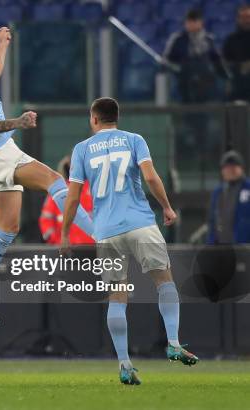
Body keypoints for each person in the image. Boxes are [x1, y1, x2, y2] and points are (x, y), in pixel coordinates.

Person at [0, 23, 93, 325]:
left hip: (0, 152)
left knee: (8, 229)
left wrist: (3, 43)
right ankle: (99, 234)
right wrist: (17, 123)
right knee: (54, 180)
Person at [61, 97, 199, 386]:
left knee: (117, 297)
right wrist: (167, 207)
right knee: (165, 282)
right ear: (117, 118)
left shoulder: (82, 149)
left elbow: (73, 197)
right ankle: (173, 342)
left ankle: (125, 363)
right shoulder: (135, 140)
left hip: (107, 231)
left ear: (94, 119)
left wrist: (64, 234)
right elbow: (150, 177)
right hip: (141, 223)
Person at [163, 8, 228, 103]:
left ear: (201, 22)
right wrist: (177, 69)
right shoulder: (177, 39)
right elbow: (167, 60)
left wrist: (225, 77)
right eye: (189, 21)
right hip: (184, 81)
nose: (191, 24)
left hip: (205, 83)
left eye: (194, 21)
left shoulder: (209, 40)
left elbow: (217, 60)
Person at [39, 155, 94, 245]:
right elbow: (46, 220)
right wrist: (56, 241)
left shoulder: (94, 189)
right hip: (65, 249)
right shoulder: (59, 190)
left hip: (93, 248)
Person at [207, 151, 250, 244]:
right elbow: (212, 220)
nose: (230, 170)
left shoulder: (248, 188)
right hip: (220, 246)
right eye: (227, 167)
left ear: (241, 168)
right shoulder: (218, 192)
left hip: (244, 246)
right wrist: (211, 242)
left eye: (233, 167)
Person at [223, 4, 250, 102]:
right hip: (238, 83)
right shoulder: (231, 39)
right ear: (238, 19)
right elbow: (225, 61)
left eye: (248, 17)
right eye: (243, 17)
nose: (246, 20)